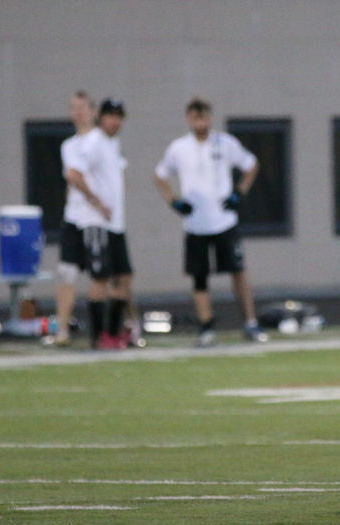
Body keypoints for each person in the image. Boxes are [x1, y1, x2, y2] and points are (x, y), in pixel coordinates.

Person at [154, 97, 268, 347]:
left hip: (224, 221)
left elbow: (251, 165)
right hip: (196, 224)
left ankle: (250, 322)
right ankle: (206, 327)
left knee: (238, 272)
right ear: (188, 119)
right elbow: (160, 176)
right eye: (195, 117)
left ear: (210, 117)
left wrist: (240, 192)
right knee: (199, 277)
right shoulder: (179, 148)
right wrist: (174, 201)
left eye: (204, 116)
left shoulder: (225, 143)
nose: (200, 122)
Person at [68, 97, 140, 349]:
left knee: (125, 277)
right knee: (100, 278)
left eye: (119, 116)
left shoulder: (113, 143)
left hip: (116, 224)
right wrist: (97, 202)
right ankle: (98, 336)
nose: (115, 121)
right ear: (101, 117)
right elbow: (73, 174)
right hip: (97, 223)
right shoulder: (94, 142)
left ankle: (113, 332)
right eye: (111, 116)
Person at [45, 90, 98, 348]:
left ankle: (119, 326)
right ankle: (62, 329)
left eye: (82, 107)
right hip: (75, 218)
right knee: (66, 273)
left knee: (108, 277)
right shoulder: (69, 145)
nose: (77, 112)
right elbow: (72, 179)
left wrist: (99, 203)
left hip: (99, 220)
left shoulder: (102, 142)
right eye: (73, 107)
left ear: (92, 111)